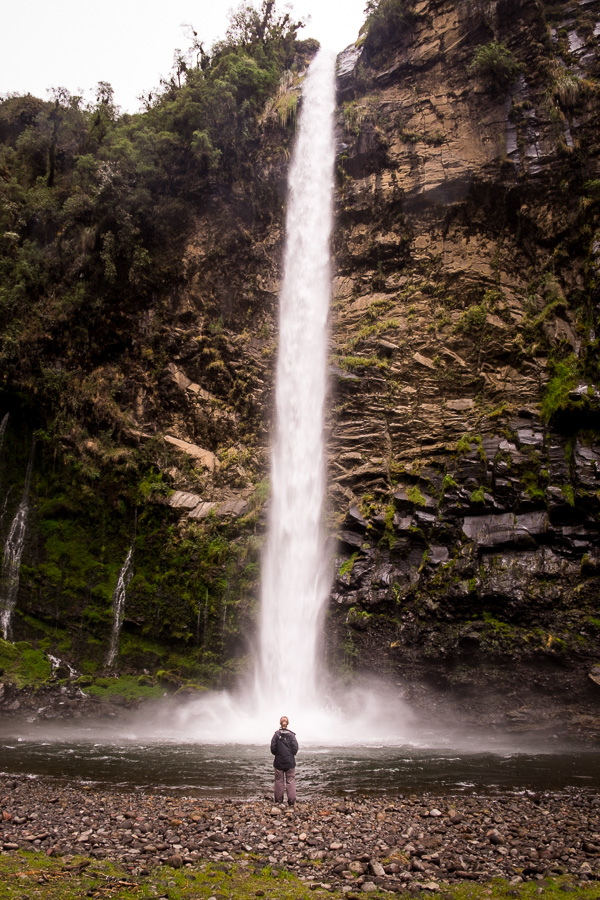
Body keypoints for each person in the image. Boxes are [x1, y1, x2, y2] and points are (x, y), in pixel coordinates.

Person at [270, 715, 298, 805]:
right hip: (290, 761)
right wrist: (290, 755)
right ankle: (292, 800)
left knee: (278, 781)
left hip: (278, 761)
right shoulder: (292, 735)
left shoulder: (276, 735)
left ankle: (278, 800)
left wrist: (278, 754)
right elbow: (295, 748)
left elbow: (273, 749)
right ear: (287, 723)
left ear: (280, 723)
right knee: (291, 780)